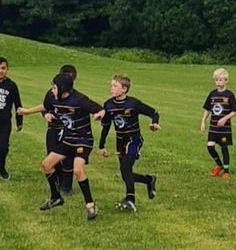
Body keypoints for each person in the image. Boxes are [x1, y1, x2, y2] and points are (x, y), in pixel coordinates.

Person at [26, 71, 103, 220]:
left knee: (78, 170)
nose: (52, 91)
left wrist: (98, 114)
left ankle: (90, 206)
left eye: (54, 88)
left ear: (63, 89)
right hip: (68, 140)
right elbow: (45, 107)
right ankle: (56, 197)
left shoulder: (80, 100)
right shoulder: (54, 98)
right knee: (46, 165)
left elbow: (100, 109)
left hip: (83, 140)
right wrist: (36, 113)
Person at [97, 74, 160, 211]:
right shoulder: (108, 105)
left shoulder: (133, 103)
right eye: (111, 85)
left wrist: (154, 123)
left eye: (115, 86)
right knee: (125, 173)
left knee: (125, 169)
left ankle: (130, 200)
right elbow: (106, 126)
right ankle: (148, 180)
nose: (111, 88)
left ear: (124, 89)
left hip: (134, 139)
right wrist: (101, 146)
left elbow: (154, 112)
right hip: (120, 141)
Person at [200, 67, 236, 177]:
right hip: (213, 128)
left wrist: (225, 118)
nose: (218, 82)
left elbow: (235, 111)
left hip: (224, 129)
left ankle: (226, 171)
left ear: (226, 81)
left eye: (220, 80)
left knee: (223, 148)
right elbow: (207, 109)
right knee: (210, 146)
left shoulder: (229, 95)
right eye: (216, 80)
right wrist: (203, 121)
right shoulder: (212, 94)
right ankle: (219, 165)